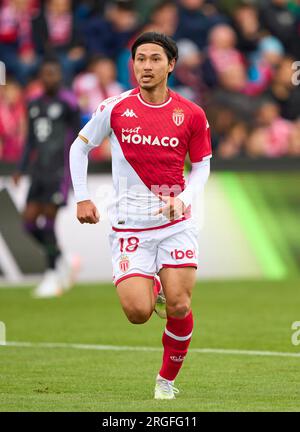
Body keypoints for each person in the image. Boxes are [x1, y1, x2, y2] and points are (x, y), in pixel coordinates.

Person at [69, 32, 212, 399]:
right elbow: (79, 148)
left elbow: (202, 166)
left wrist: (185, 198)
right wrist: (83, 198)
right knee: (137, 313)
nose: (146, 66)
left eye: (154, 59)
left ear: (171, 65)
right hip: (129, 225)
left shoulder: (191, 113)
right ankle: (154, 287)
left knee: (180, 304)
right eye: (140, 59)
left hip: (175, 222)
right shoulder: (114, 108)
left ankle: (165, 382)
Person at [13, 58, 81, 298]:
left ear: (59, 75)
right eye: (45, 73)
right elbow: (30, 140)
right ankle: (63, 258)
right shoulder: (33, 104)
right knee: (28, 223)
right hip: (38, 171)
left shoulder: (69, 103)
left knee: (49, 222)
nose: (49, 77)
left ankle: (52, 275)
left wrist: (77, 169)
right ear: (41, 77)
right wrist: (21, 169)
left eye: (53, 73)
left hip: (60, 171)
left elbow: (80, 139)